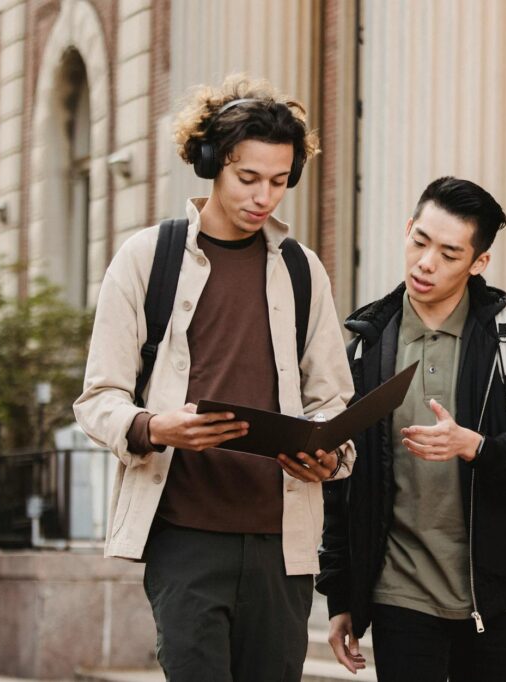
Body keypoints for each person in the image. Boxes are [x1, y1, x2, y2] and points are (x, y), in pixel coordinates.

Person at [73, 75, 354, 682]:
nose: (264, 197)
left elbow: (332, 401)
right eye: (247, 178)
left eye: (279, 182)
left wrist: (329, 456)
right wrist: (154, 427)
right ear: (211, 166)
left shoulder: (304, 271)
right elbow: (98, 399)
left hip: (284, 543)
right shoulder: (147, 258)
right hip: (185, 537)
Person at [316, 176, 506, 681]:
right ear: (408, 228)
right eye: (419, 241)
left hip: (497, 593)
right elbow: (344, 485)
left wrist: (476, 447)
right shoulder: (366, 350)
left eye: (449, 253)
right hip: (399, 592)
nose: (426, 262)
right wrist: (340, 593)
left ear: (478, 263)